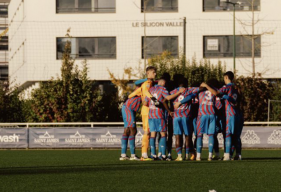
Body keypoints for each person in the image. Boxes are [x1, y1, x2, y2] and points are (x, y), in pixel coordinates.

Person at [200, 71, 239, 161]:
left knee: (227, 134)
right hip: (235, 113)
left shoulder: (227, 87)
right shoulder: (236, 87)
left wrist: (206, 86)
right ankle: (236, 154)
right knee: (232, 135)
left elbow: (217, 93)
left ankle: (226, 155)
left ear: (226, 77)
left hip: (229, 112)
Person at [128, 66, 158, 161]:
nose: (155, 74)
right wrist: (153, 98)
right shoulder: (148, 83)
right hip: (147, 110)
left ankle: (145, 154)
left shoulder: (147, 83)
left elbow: (132, 94)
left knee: (148, 132)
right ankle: (144, 155)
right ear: (148, 73)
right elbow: (145, 91)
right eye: (153, 72)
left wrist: (139, 96)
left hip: (146, 110)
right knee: (147, 132)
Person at [168, 78, 201, 161]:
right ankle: (186, 155)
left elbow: (167, 98)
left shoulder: (173, 91)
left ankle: (179, 156)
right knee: (188, 136)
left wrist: (169, 110)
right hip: (185, 116)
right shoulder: (189, 90)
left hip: (176, 117)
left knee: (177, 136)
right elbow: (196, 92)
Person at [144, 77, 172, 160]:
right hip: (159, 114)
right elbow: (168, 98)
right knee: (163, 134)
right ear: (163, 83)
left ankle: (153, 154)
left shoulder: (151, 89)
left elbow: (145, 102)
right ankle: (163, 155)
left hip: (151, 115)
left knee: (153, 134)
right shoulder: (163, 89)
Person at [120, 87, 142, 161]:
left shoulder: (141, 90)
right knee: (133, 130)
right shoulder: (141, 88)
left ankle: (123, 155)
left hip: (127, 108)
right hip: (128, 109)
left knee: (127, 130)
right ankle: (132, 155)